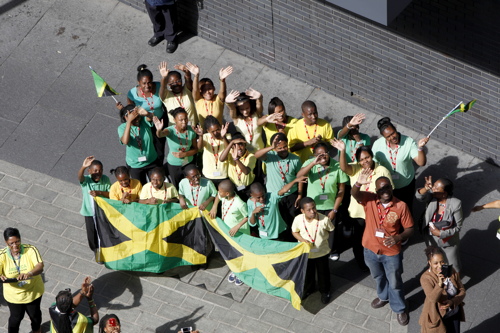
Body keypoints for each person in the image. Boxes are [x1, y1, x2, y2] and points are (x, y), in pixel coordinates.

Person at [351, 169, 414, 326]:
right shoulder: (369, 199)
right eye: (381, 189)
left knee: (395, 282)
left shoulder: (401, 206)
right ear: (376, 191)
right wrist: (359, 182)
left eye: (387, 188)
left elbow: (410, 229)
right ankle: (383, 296)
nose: (384, 191)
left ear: (391, 187)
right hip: (370, 249)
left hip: (391, 253)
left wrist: (398, 237)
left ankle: (399, 308)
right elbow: (355, 193)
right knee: (378, 277)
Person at [332, 138, 393, 270]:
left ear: (372, 156)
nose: (365, 161)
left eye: (367, 158)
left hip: (375, 214)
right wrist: (342, 150)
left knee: (376, 238)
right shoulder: (356, 168)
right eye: (361, 159)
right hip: (358, 214)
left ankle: (377, 261)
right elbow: (344, 167)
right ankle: (362, 263)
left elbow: (390, 192)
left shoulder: (382, 170)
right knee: (358, 241)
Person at [297, 142, 349, 261]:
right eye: (319, 154)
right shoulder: (310, 164)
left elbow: (341, 189)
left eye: (325, 153)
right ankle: (317, 249)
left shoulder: (336, 165)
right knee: (315, 229)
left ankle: (332, 250)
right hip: (313, 206)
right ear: (314, 155)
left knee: (330, 230)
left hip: (330, 206)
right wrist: (313, 163)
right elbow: (299, 176)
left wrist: (335, 209)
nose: (323, 156)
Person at [371, 117, 429, 214]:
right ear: (383, 137)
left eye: (393, 133)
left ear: (396, 129)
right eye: (388, 136)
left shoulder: (408, 142)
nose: (392, 137)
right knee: (390, 209)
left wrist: (420, 148)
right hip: (387, 185)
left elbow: (421, 163)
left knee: (406, 207)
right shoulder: (378, 144)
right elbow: (373, 163)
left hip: (406, 184)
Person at [255, 133, 303, 240]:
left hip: (291, 195)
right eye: (279, 148)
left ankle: (294, 240)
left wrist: (299, 195)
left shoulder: (295, 159)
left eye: (285, 146)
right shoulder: (270, 156)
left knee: (292, 219)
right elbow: (256, 155)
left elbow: (300, 177)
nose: (283, 150)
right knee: (278, 220)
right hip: (274, 196)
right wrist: (272, 147)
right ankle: (282, 241)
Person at [117, 65, 167, 164]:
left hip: (159, 121)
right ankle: (149, 164)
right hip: (145, 123)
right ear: (138, 83)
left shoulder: (159, 86)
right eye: (144, 83)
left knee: (160, 147)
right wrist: (122, 109)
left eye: (150, 82)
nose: (147, 86)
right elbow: (131, 110)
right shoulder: (132, 94)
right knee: (147, 145)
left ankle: (159, 167)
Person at [0, 228, 44, 333]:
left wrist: (29, 273)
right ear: (6, 243)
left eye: (17, 242)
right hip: (14, 297)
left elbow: (40, 266)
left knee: (35, 316)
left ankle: (37, 331)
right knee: (15, 319)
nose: (15, 246)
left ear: (20, 239)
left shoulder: (31, 249)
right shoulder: (2, 255)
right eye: (11, 243)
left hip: (33, 292)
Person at [291, 197, 335, 304]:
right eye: (309, 210)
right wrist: (302, 240)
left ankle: (325, 291)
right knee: (307, 273)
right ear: (302, 211)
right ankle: (308, 289)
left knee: (323, 273)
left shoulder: (324, 219)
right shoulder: (298, 219)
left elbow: (330, 230)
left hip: (321, 252)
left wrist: (322, 239)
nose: (313, 211)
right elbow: (294, 232)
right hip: (306, 253)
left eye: (314, 208)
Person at [416, 177, 464, 273]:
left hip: (447, 242)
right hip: (430, 238)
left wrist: (441, 233)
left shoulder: (455, 204)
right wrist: (426, 188)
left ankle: (454, 283)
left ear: (444, 193)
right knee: (434, 260)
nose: (433, 189)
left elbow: (458, 227)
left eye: (436, 188)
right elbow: (419, 196)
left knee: (451, 264)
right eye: (433, 186)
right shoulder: (431, 197)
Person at [210, 180, 249, 286]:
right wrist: (214, 206)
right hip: (228, 231)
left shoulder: (239, 203)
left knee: (241, 252)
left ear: (227, 193)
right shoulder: (224, 196)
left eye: (220, 191)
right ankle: (235, 269)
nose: (218, 193)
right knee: (232, 251)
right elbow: (218, 196)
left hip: (239, 232)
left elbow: (247, 216)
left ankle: (242, 272)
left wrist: (237, 226)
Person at [419, 246, 465, 333]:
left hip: (453, 311)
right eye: (435, 263)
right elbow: (432, 298)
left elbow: (462, 290)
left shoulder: (451, 271)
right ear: (429, 263)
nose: (440, 266)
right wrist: (439, 285)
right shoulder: (425, 278)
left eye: (442, 262)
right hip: (438, 315)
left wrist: (452, 302)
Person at [247, 177, 307, 241]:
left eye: (263, 195)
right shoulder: (250, 203)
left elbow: (283, 190)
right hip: (264, 237)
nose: (262, 199)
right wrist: (253, 213)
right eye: (258, 197)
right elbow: (252, 223)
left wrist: (294, 181)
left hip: (279, 235)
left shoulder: (271, 197)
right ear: (252, 195)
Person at [154, 108, 198, 188]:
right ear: (175, 120)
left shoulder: (191, 130)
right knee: (177, 185)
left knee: (191, 185)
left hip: (188, 163)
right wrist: (159, 130)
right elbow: (161, 134)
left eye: (185, 119)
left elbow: (195, 149)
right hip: (174, 165)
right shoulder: (170, 130)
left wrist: (185, 154)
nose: (184, 122)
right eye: (181, 120)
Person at [117, 105, 158, 185]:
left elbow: (151, 118)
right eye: (134, 119)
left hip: (151, 161)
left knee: (156, 184)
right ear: (126, 118)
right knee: (140, 188)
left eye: (138, 117)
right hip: (135, 165)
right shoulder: (122, 128)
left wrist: (147, 114)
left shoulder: (143, 121)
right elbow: (125, 141)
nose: (137, 120)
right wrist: (129, 122)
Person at [186, 62, 233, 129]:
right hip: (204, 135)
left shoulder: (218, 99)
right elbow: (195, 90)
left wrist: (222, 80)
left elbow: (223, 91)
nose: (207, 92)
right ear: (200, 91)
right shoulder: (198, 100)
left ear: (214, 88)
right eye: (204, 90)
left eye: (209, 89)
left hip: (220, 134)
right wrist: (196, 76)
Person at [77, 156, 110, 252]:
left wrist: (100, 192)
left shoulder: (105, 179)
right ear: (89, 171)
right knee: (92, 233)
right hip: (89, 213)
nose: (98, 173)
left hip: (102, 212)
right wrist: (83, 167)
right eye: (95, 171)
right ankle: (95, 249)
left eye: (100, 170)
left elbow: (111, 194)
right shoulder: (86, 181)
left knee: (103, 231)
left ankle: (104, 247)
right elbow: (80, 177)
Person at [193, 116, 230, 188]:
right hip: (208, 174)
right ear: (208, 131)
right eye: (213, 131)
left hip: (223, 174)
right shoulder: (205, 137)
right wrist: (200, 136)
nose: (216, 133)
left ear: (220, 127)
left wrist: (224, 137)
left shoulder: (227, 136)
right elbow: (199, 147)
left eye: (217, 130)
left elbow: (229, 148)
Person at [219, 133, 256, 202]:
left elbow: (246, 171)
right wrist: (231, 143)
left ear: (245, 145)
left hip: (247, 188)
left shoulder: (251, 156)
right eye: (235, 145)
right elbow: (221, 159)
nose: (238, 148)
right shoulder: (230, 153)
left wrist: (236, 159)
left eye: (241, 144)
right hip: (234, 187)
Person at [159, 62, 198, 126]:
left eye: (178, 81)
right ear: (168, 85)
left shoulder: (187, 90)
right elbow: (162, 87)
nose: (176, 84)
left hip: (193, 127)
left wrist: (187, 72)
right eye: (172, 83)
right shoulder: (166, 96)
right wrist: (164, 78)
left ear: (181, 80)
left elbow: (188, 79)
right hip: (176, 132)